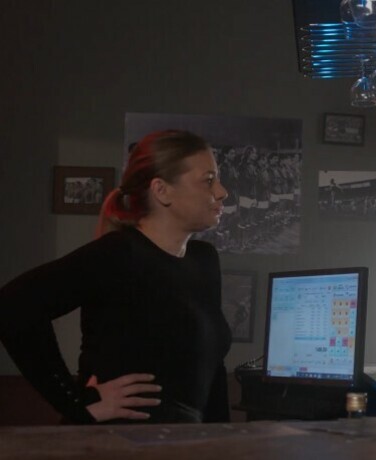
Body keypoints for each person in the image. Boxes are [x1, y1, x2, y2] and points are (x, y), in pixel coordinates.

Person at [0, 130, 232, 424]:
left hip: (183, 442)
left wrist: (223, 438)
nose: (222, 192)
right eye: (208, 180)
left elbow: (211, 369)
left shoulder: (204, 259)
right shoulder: (119, 254)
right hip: (114, 442)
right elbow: (12, 306)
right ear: (161, 190)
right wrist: (75, 404)